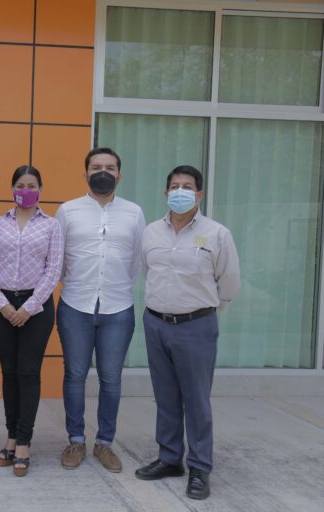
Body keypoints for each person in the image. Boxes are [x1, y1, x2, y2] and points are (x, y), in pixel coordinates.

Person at [135, 165, 240, 500]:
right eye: (175, 186)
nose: (181, 191)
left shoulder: (217, 234)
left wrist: (204, 310)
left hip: (196, 325)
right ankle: (169, 459)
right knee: (165, 397)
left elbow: (229, 283)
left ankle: (199, 466)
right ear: (166, 193)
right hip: (155, 323)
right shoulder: (151, 231)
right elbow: (145, 270)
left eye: (188, 186)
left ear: (199, 194)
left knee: (196, 400)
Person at [56, 147, 145, 473]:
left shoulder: (134, 213)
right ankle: (76, 440)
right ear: (86, 173)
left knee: (111, 379)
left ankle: (105, 443)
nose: (103, 171)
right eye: (96, 167)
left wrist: (116, 285)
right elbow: (59, 258)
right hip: (75, 305)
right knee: (75, 376)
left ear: (119, 174)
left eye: (109, 167)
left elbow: (136, 260)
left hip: (117, 308)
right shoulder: (68, 211)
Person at [0, 165, 62, 477]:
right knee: (9, 372)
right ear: (12, 188)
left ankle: (25, 441)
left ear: (40, 189)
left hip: (37, 307)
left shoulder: (52, 226)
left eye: (31, 184)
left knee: (29, 373)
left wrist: (29, 306)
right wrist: (2, 304)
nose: (25, 189)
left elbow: (53, 270)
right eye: (20, 184)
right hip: (2, 306)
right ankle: (11, 436)